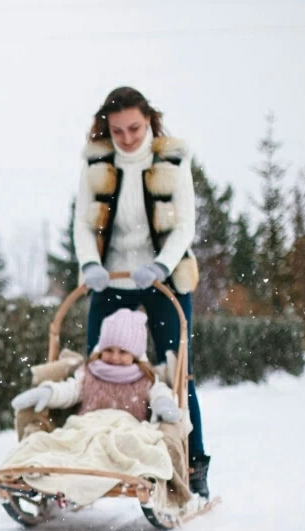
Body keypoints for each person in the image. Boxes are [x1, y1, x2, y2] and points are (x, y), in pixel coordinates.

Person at [72, 86, 211, 498]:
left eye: (135, 128)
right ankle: (96, 453)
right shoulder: (96, 161)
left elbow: (184, 224)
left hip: (161, 277)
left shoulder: (172, 158)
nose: (128, 138)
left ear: (149, 119)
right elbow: (83, 222)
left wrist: (161, 266)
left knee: (176, 371)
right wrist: (90, 264)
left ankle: (191, 460)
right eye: (118, 131)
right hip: (111, 279)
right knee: (98, 369)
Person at [11, 309, 181, 424]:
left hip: (128, 433)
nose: (114, 357)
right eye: (108, 350)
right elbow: (70, 390)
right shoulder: (90, 371)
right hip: (87, 429)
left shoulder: (144, 377)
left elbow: (159, 391)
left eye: (122, 352)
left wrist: (163, 402)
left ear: (135, 355)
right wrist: (49, 392)